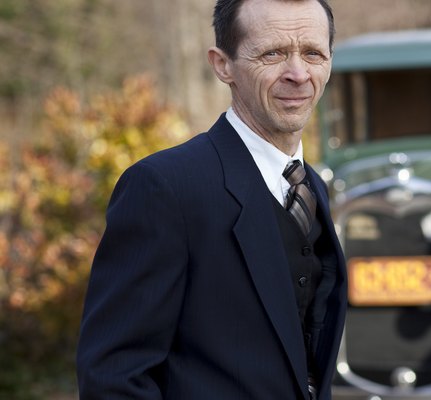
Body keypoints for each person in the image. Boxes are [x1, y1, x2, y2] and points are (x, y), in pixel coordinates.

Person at [76, 0, 346, 399]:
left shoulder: (313, 188)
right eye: (272, 53)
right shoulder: (162, 188)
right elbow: (113, 376)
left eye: (313, 53)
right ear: (223, 65)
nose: (298, 74)